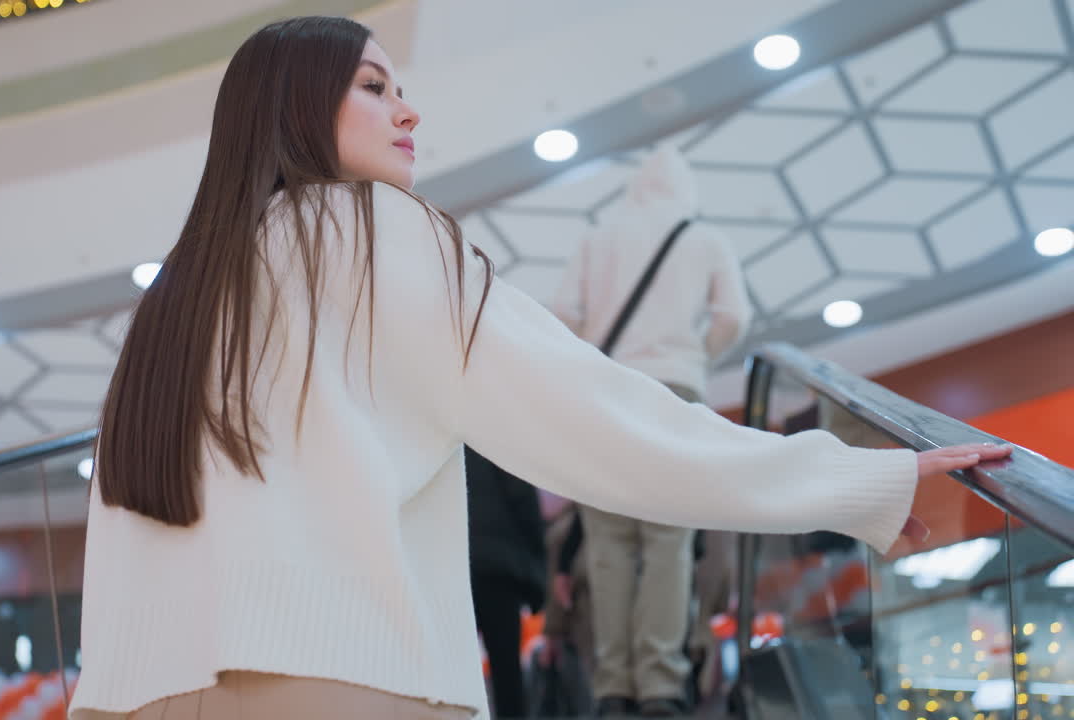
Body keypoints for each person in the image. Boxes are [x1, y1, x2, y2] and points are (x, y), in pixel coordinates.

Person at [68, 15, 1011, 720]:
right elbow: (592, 416)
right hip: (335, 677)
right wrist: (851, 479)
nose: (408, 110)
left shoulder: (178, 300)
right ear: (296, 104)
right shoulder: (367, 227)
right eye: (372, 85)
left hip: (134, 690)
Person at [546, 145, 751, 717]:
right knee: (667, 543)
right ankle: (661, 685)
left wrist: (595, 356)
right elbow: (734, 317)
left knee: (608, 544)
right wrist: (692, 358)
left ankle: (613, 686)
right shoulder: (705, 238)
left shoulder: (600, 234)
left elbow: (561, 312)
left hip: (607, 394)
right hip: (673, 394)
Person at [465, 447, 547, 718]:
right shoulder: (495, 440)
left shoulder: (441, 440)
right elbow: (523, 500)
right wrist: (537, 566)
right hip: (499, 570)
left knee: (455, 665)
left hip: (456, 566)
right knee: (506, 670)